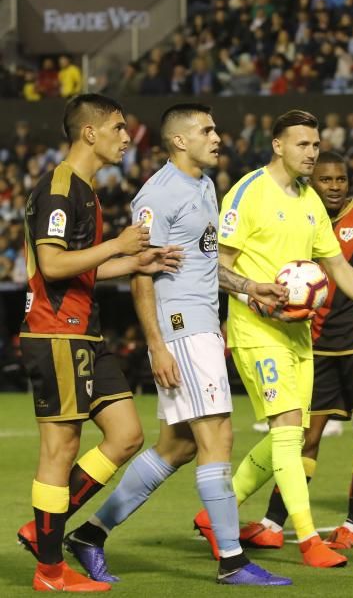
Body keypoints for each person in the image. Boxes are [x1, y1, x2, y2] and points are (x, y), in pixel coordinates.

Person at [61, 104, 290, 586]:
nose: (217, 137)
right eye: (206, 130)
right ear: (180, 141)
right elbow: (144, 270)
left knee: (179, 445)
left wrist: (251, 288)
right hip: (181, 327)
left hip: (200, 323)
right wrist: (157, 344)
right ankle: (231, 559)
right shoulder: (159, 195)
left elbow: (202, 264)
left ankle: (91, 534)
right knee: (218, 437)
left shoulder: (204, 186)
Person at [200, 109, 353, 569]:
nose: (311, 153)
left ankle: (218, 512)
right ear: (277, 145)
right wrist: (253, 293)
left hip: (299, 333)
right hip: (256, 330)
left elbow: (337, 265)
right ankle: (309, 539)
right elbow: (215, 265)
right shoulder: (247, 193)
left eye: (315, 144)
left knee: (288, 434)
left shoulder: (309, 199)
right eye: (302, 144)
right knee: (290, 430)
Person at [17, 94, 181, 591]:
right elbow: (52, 265)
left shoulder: (84, 189)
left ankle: (42, 530)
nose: (127, 137)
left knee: (127, 433)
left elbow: (82, 266)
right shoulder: (60, 186)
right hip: (55, 331)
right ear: (89, 132)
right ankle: (50, 569)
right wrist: (119, 245)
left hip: (84, 330)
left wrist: (134, 263)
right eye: (117, 127)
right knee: (61, 446)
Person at [241, 151, 353, 551]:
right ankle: (274, 524)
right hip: (315, 345)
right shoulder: (302, 218)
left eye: (341, 179)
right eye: (326, 180)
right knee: (303, 436)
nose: (334, 186)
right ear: (313, 182)